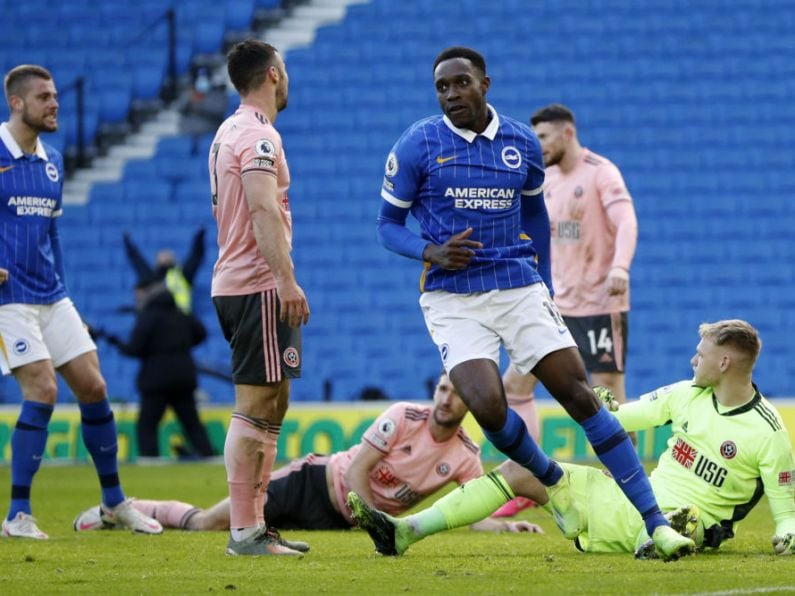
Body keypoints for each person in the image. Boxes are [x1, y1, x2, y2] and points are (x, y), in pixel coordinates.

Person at [375, 45, 692, 560]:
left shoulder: (520, 142)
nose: (451, 94)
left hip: (519, 289)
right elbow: (387, 225)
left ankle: (656, 523)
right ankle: (551, 482)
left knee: (582, 396)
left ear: (485, 84)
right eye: (442, 87)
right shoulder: (417, 144)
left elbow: (535, 214)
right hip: (454, 299)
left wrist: (542, 277)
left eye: (461, 83)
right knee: (488, 406)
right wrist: (429, 250)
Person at [349, 320, 795, 559]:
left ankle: (662, 536)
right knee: (519, 470)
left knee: (690, 521)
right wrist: (603, 405)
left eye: (702, 353)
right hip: (633, 501)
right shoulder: (684, 395)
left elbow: (786, 508)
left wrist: (788, 531)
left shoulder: (768, 431)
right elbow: (622, 418)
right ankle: (405, 531)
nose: (692, 358)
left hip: (681, 521)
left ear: (724, 364)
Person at [0, 64, 162, 539]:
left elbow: (52, 231)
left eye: (55, 96)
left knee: (93, 386)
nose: (55, 104)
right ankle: (16, 515)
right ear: (17, 103)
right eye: (45, 97)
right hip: (9, 300)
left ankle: (113, 504)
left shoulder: (53, 160)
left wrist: (64, 291)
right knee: (44, 391)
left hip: (52, 294)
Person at [72, 374, 541, 538]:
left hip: (340, 522)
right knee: (208, 524)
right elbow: (357, 470)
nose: (445, 398)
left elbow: (468, 511)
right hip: (313, 481)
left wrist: (505, 525)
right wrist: (378, 522)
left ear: (470, 404)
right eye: (442, 388)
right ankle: (126, 510)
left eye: (457, 394)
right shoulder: (403, 415)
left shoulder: (463, 455)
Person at [495, 103, 639, 518]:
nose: (536, 146)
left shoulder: (600, 172)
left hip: (599, 304)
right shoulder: (544, 180)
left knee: (609, 399)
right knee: (514, 387)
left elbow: (627, 222)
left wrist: (620, 267)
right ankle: (530, 478)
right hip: (553, 305)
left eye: (542, 138)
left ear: (568, 133)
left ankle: (627, 487)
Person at [208, 40, 310, 557]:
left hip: (241, 281)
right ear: (273, 75)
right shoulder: (257, 136)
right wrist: (286, 281)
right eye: (285, 71)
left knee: (273, 400)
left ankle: (255, 525)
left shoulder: (231, 130)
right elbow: (263, 211)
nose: (287, 79)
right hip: (256, 285)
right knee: (254, 404)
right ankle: (245, 532)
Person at [103, 278, 214, 459]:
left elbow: (134, 348)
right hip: (183, 376)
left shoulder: (148, 317)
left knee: (147, 424)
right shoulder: (181, 314)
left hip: (156, 379)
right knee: (192, 423)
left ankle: (150, 460)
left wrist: (116, 343)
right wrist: (181, 346)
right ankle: (208, 456)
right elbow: (201, 333)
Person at [122, 226, 205, 315]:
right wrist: (128, 243)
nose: (164, 257)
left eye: (166, 255)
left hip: (177, 320)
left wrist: (199, 238)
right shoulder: (151, 277)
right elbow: (137, 261)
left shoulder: (182, 275)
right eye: (162, 256)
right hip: (168, 321)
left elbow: (195, 257)